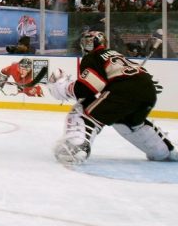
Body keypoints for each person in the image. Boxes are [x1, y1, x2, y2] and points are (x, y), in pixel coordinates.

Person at [47, 30, 178, 164]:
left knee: (83, 111)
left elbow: (88, 88)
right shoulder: (116, 55)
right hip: (148, 91)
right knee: (129, 123)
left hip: (124, 89)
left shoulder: (93, 56)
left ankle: (75, 149)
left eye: (87, 41)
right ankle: (166, 151)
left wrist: (62, 88)